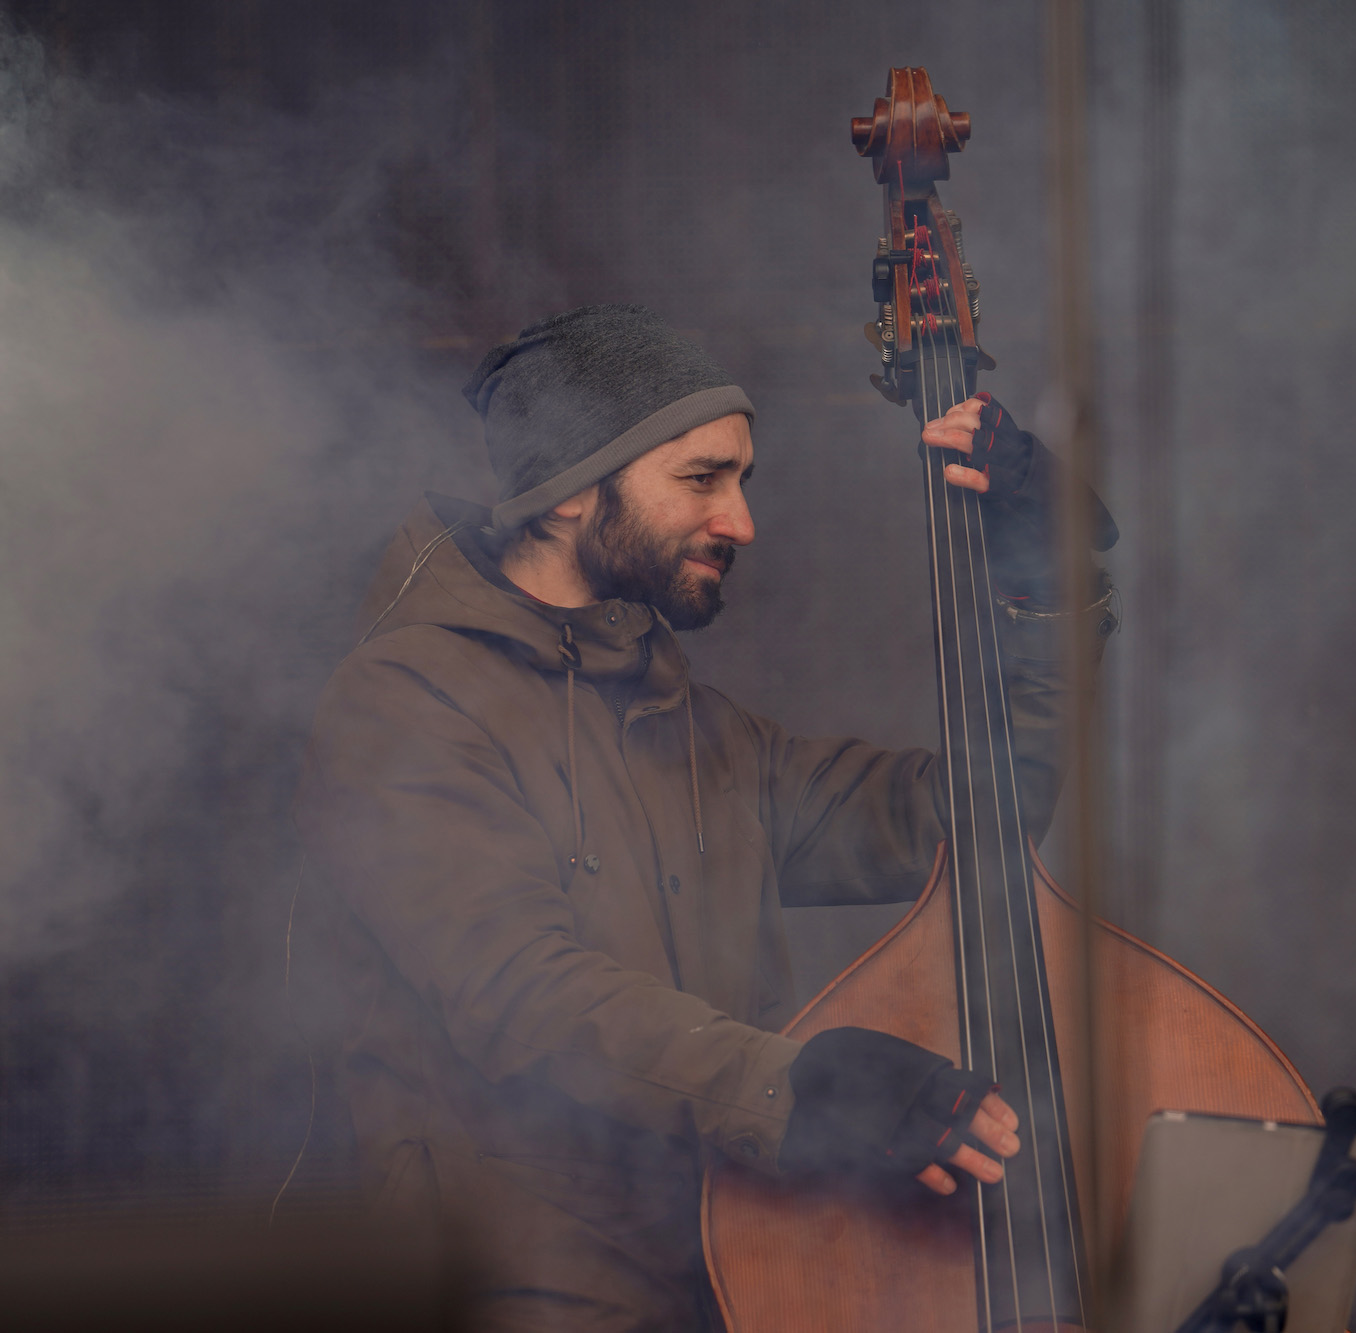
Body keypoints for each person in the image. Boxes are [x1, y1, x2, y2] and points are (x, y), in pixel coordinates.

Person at [295, 304, 1116, 1331]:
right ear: (565, 494)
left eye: (741, 480)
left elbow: (969, 820)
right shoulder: (405, 702)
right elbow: (519, 990)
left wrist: (1049, 588)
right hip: (513, 1289)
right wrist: (801, 1089)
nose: (740, 522)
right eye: (700, 478)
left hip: (732, 1268)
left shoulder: (698, 729)